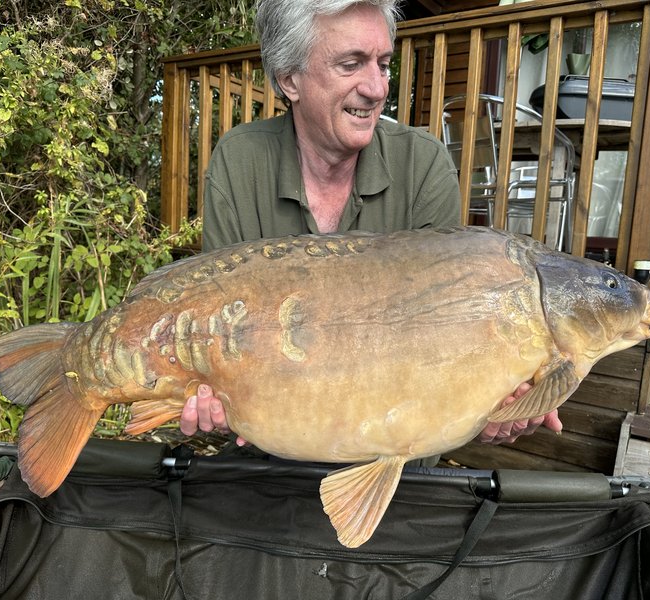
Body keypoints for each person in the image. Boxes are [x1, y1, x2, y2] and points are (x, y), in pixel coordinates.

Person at [180, 0, 562, 451]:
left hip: (401, 456)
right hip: (268, 458)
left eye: (383, 64)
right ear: (289, 79)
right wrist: (208, 395)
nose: (377, 88)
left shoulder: (422, 164)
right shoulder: (240, 161)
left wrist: (490, 403)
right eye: (351, 64)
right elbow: (219, 329)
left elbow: (444, 334)